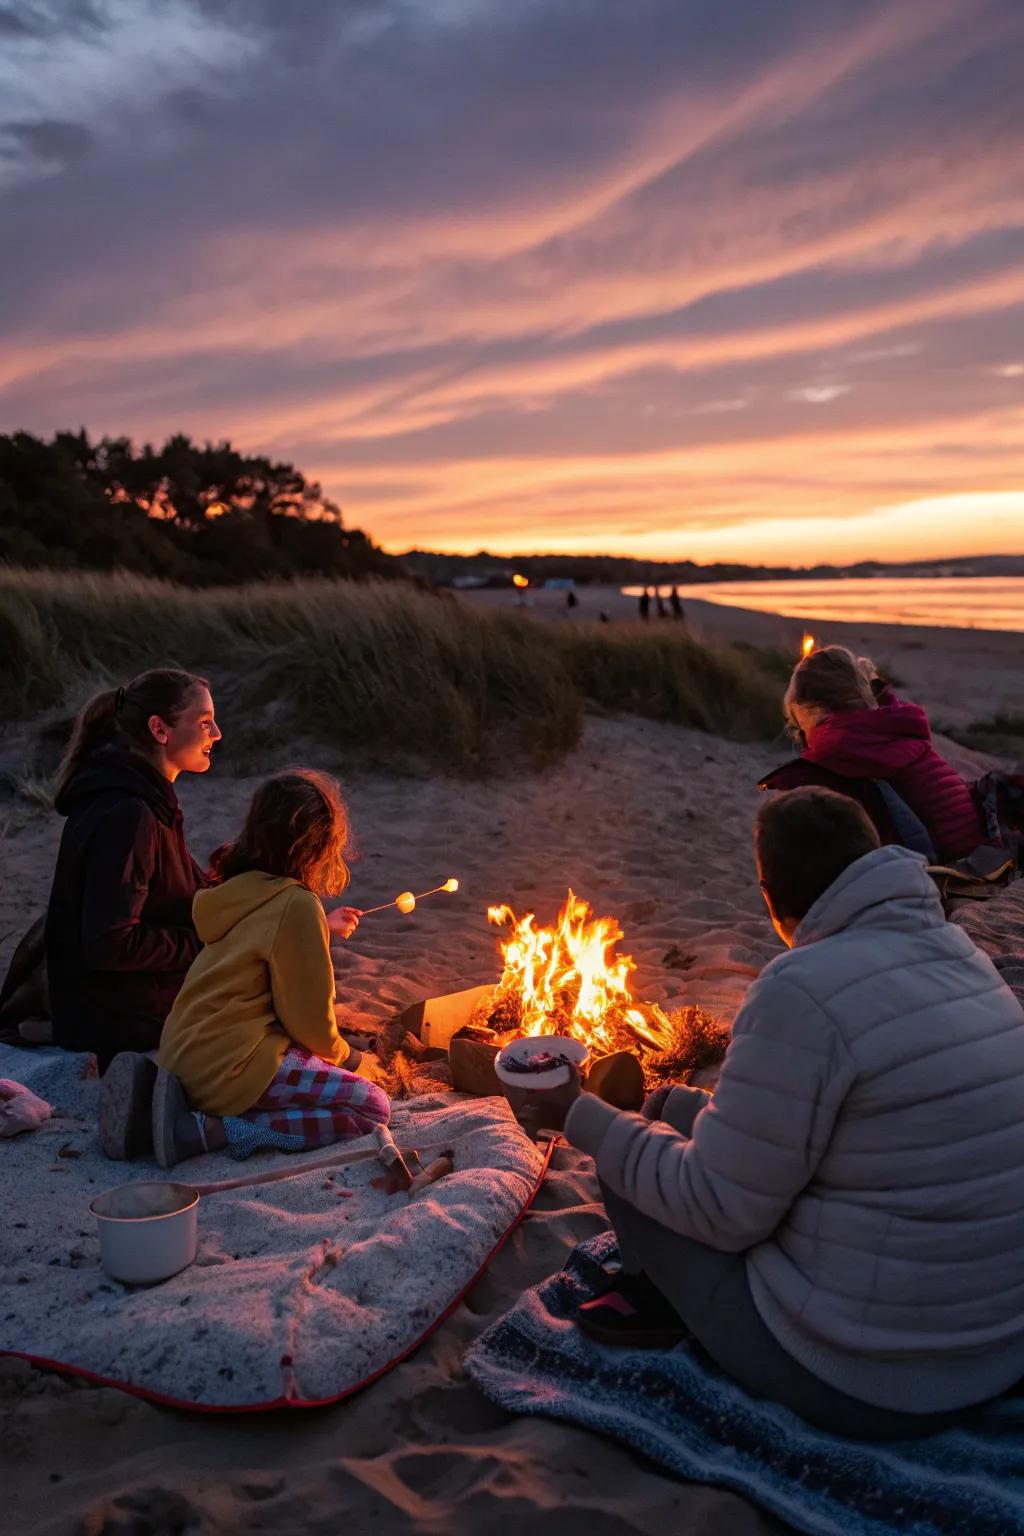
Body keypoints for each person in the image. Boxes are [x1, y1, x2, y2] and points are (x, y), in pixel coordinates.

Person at [563, 787, 1024, 1439]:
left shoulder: (800, 989)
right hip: (996, 1349)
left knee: (623, 1157)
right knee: (667, 1106)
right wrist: (668, 1114)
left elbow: (719, 1212)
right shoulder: (967, 960)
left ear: (769, 890)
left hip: (874, 1377)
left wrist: (576, 1115)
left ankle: (662, 1299)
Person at [112, 769, 390, 1167]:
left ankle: (190, 1107)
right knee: (371, 1107)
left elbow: (260, 939)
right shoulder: (296, 905)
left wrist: (321, 928)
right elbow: (309, 1021)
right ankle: (214, 1130)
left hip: (183, 1052)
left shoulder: (236, 889)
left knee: (303, 1069)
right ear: (317, 847)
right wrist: (348, 1057)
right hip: (232, 1065)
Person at [46, 670, 219, 1083]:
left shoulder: (147, 800)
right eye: (204, 722)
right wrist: (201, 943)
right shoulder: (130, 813)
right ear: (159, 729)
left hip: (123, 1000)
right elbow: (110, 943)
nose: (217, 733)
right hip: (115, 1017)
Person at [760, 645, 984, 862]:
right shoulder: (891, 726)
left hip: (942, 867)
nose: (803, 737)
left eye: (800, 723)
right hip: (976, 853)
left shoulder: (842, 749)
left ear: (818, 709)